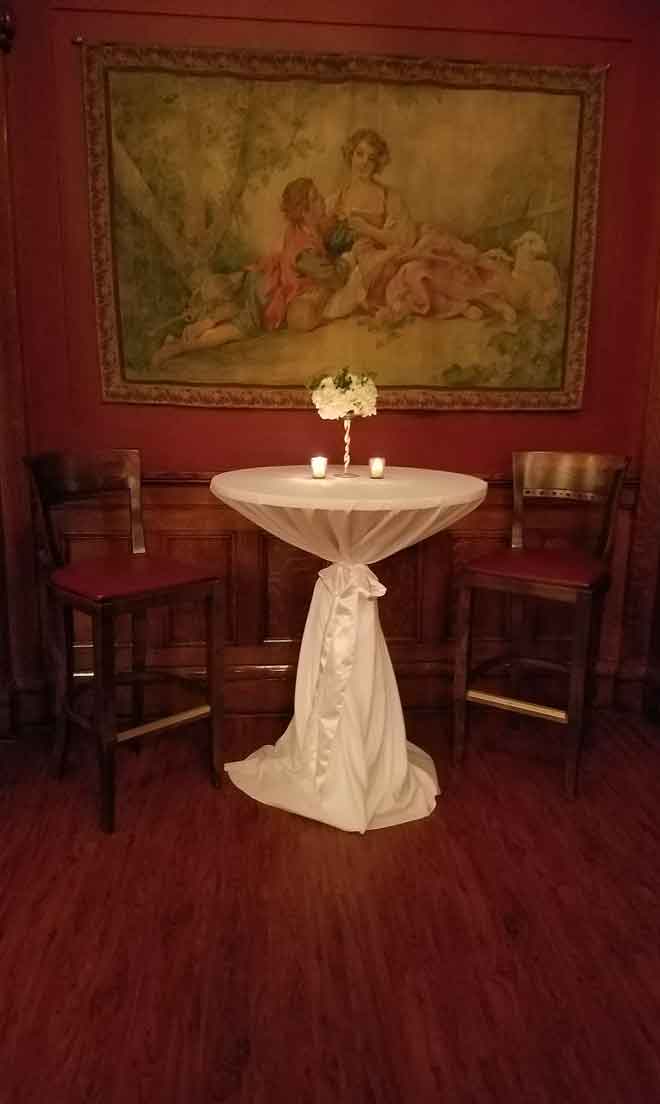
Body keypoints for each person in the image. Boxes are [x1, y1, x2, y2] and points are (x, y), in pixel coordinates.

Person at [151, 177, 349, 367]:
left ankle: (197, 328)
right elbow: (332, 277)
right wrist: (347, 261)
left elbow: (326, 232)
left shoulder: (303, 229)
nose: (323, 199)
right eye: (316, 198)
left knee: (234, 312)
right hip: (266, 295)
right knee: (238, 329)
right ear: (304, 212)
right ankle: (177, 347)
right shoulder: (303, 250)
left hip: (264, 281)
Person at [322, 128, 417, 320]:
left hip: (384, 262)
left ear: (378, 163)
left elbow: (404, 240)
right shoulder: (336, 200)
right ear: (350, 155)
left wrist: (367, 229)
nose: (364, 162)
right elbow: (322, 240)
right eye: (360, 154)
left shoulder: (389, 196)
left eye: (371, 158)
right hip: (349, 266)